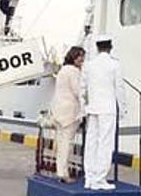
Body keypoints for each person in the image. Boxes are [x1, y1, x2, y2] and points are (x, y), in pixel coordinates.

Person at [80, 37, 126, 190]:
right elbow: (119, 89)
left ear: (97, 47)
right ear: (110, 47)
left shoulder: (89, 65)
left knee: (91, 143)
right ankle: (99, 179)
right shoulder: (115, 65)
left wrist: (83, 107)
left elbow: (82, 89)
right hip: (107, 109)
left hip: (92, 109)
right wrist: (123, 109)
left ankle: (89, 177)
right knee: (105, 144)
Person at [51, 46, 86, 183]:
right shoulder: (74, 71)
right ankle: (64, 174)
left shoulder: (63, 70)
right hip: (69, 112)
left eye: (83, 56)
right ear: (73, 57)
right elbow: (78, 92)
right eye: (79, 56)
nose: (82, 59)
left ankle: (60, 171)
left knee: (61, 142)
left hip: (59, 110)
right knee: (67, 143)